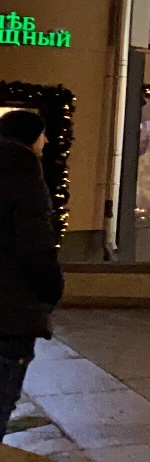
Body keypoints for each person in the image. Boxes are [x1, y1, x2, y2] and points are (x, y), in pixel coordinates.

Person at [0, 111, 61, 426]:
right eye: (42, 134)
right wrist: (51, 290)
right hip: (12, 311)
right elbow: (35, 246)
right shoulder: (24, 174)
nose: (46, 141)